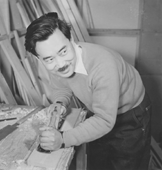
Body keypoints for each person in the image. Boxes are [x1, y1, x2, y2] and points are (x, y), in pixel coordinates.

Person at [25, 12, 152, 170]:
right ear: (39, 58)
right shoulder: (55, 62)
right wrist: (60, 102)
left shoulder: (103, 66)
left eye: (63, 51)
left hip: (130, 113)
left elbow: (105, 120)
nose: (60, 63)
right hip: (100, 110)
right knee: (98, 162)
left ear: (71, 40)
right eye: (49, 59)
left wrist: (63, 139)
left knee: (126, 164)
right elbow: (62, 85)